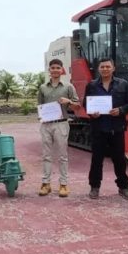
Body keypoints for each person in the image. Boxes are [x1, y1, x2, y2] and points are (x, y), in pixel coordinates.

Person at [84, 58, 128, 201]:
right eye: (102, 67)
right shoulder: (92, 86)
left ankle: (123, 187)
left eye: (108, 66)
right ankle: (94, 187)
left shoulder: (123, 84)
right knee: (96, 160)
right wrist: (91, 113)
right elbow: (86, 104)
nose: (105, 69)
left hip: (116, 128)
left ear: (113, 68)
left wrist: (120, 110)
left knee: (119, 160)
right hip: (98, 128)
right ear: (98, 69)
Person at [37, 58, 80, 197]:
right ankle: (46, 183)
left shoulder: (68, 87)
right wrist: (41, 115)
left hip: (61, 123)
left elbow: (77, 105)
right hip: (46, 124)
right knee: (46, 155)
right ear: (49, 70)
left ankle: (63, 184)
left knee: (63, 156)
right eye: (53, 68)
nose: (55, 70)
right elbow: (40, 106)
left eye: (57, 68)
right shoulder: (43, 87)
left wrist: (68, 101)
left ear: (62, 70)